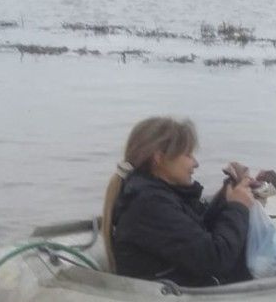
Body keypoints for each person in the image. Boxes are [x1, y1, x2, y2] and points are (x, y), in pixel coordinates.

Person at [102, 116, 255, 287]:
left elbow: (196, 231)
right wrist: (238, 207)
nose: (195, 163)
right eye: (188, 154)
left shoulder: (159, 195)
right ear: (159, 158)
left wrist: (225, 199)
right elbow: (215, 259)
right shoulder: (149, 205)